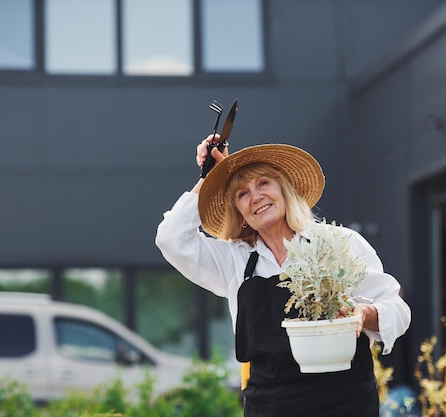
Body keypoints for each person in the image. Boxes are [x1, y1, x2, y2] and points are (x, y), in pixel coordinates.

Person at [156, 135, 411, 417]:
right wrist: (211, 175)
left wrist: (364, 312)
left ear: (284, 190)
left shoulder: (339, 243)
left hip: (346, 405)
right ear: (239, 213)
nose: (256, 196)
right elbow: (171, 238)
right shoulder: (234, 260)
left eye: (263, 183)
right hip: (269, 408)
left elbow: (396, 308)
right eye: (242, 194)